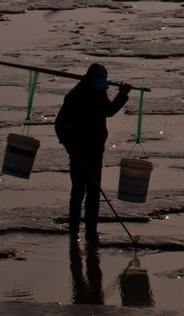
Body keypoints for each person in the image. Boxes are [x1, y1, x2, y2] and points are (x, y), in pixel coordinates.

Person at [55, 64, 131, 242]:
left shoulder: (100, 92)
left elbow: (108, 111)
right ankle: (74, 232)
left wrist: (122, 95)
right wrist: (71, 147)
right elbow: (60, 125)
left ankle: (91, 232)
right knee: (78, 191)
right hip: (78, 151)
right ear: (88, 79)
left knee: (94, 192)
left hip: (96, 150)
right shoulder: (74, 97)